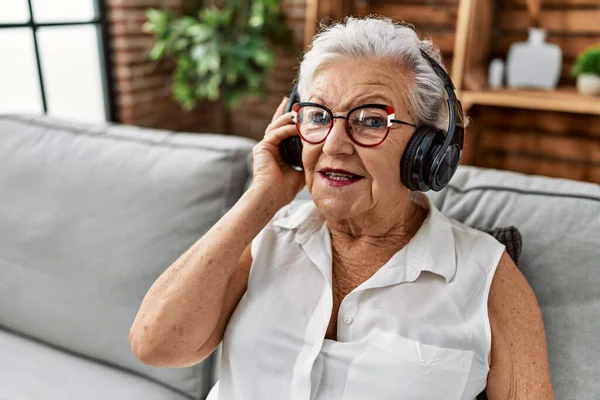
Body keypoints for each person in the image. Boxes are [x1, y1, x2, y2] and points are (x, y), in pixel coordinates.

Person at [129, 17, 554, 399]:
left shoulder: (486, 276)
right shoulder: (266, 236)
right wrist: (263, 196)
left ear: (426, 150)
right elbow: (156, 345)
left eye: (371, 120)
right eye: (318, 116)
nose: (333, 145)